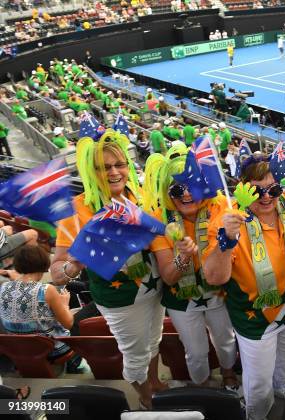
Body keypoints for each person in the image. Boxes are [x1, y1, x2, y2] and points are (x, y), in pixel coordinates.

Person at [51, 130, 167, 408]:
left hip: (154, 286)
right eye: (104, 168)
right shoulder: (77, 210)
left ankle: (155, 382)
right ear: (92, 172)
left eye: (119, 164)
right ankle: (146, 398)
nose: (115, 172)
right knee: (135, 354)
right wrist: (76, 263)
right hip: (119, 300)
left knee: (154, 340)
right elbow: (56, 272)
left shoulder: (139, 196)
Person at [204, 154, 285, 420]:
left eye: (272, 189)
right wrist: (226, 240)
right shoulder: (229, 220)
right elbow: (214, 277)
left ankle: (283, 397)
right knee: (259, 385)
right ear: (242, 187)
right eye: (256, 190)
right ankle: (256, 415)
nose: (265, 197)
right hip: (255, 318)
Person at [144, 145, 239, 391]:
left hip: (218, 293)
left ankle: (228, 373)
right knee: (196, 351)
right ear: (167, 191)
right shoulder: (160, 221)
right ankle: (202, 384)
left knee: (226, 341)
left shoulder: (222, 209)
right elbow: (168, 276)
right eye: (177, 188)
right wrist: (184, 257)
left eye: (193, 185)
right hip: (181, 300)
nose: (186, 194)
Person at [0, 245, 82, 373]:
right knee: (79, 321)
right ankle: (72, 365)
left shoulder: (4, 287)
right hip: (49, 350)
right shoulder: (47, 290)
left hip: (17, 348)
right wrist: (64, 303)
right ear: (43, 263)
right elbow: (68, 323)